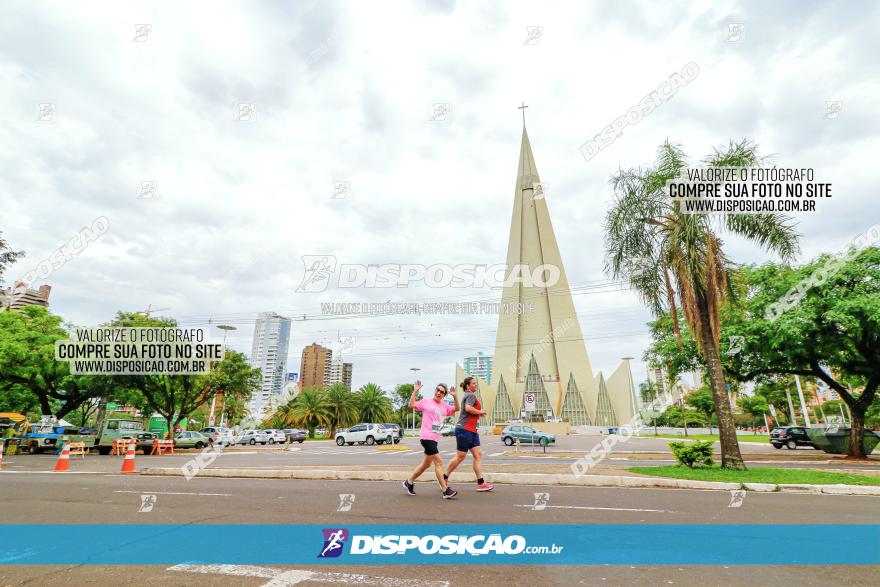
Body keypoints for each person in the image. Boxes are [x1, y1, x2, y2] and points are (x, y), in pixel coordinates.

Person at [402, 381, 459, 499]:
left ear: (444, 395)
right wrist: (415, 391)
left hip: (434, 439)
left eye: (442, 392)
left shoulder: (445, 407)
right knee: (438, 462)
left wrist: (455, 397)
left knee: (426, 465)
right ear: (435, 390)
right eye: (437, 390)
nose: (438, 392)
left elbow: (457, 408)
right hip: (426, 436)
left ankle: (409, 482)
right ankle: (445, 490)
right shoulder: (426, 402)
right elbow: (411, 405)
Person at [444, 376, 494, 492]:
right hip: (464, 429)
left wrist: (478, 414)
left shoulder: (469, 395)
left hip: (472, 430)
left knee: (478, 455)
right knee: (460, 456)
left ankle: (481, 483)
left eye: (476, 383)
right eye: (473, 383)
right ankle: (444, 477)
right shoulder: (470, 395)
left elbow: (471, 411)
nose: (475, 385)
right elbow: (468, 408)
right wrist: (480, 411)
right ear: (468, 386)